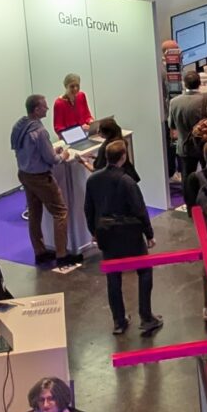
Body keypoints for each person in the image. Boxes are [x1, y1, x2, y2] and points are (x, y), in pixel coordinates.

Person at [83, 137, 159, 334]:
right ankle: (146, 317)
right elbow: (139, 210)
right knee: (144, 272)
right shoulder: (127, 181)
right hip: (130, 235)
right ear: (123, 157)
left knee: (113, 277)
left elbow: (88, 209)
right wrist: (149, 234)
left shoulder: (93, 180)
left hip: (106, 235)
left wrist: (94, 232)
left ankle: (118, 321)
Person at [12, 93, 75, 271]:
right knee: (60, 212)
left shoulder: (20, 125)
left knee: (34, 213)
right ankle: (62, 255)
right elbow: (52, 159)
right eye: (44, 106)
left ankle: (40, 252)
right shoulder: (39, 132)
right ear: (37, 109)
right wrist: (62, 155)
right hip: (40, 177)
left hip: (24, 174)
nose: (47, 108)